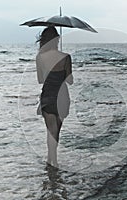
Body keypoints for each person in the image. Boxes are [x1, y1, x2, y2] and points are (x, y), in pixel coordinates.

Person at [36, 27, 73, 167]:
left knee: (50, 130)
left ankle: (51, 159)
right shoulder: (66, 57)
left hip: (48, 96)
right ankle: (54, 160)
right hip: (62, 96)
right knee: (56, 130)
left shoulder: (39, 57)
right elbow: (70, 81)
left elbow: (40, 79)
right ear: (56, 39)